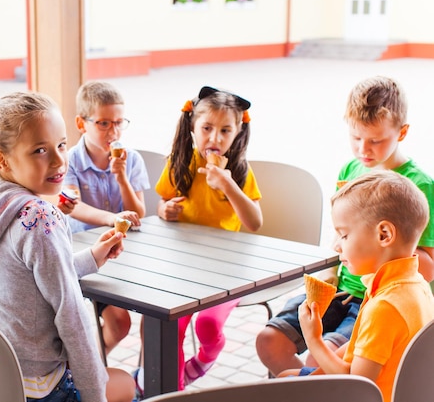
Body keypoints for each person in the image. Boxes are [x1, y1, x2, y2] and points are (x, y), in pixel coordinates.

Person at [0, 91, 135, 402]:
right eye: (40, 150)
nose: (58, 161)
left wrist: (91, 259)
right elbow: (73, 318)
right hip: (40, 388)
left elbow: (27, 276)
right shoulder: (39, 217)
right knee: (127, 386)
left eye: (61, 145)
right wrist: (94, 397)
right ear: (1, 159)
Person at [255, 75, 434, 378]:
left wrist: (378, 256)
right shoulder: (350, 169)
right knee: (269, 341)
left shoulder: (418, 186)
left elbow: (426, 265)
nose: (363, 148)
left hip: (371, 296)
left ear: (402, 132)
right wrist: (331, 266)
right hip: (340, 289)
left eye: (375, 140)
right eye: (355, 137)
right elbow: (342, 233)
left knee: (318, 353)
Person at [131, 85, 262, 397]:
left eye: (224, 131)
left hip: (227, 270)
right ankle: (172, 391)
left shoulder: (239, 171)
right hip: (183, 268)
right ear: (192, 127)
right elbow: (162, 204)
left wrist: (228, 184)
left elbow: (255, 223)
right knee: (163, 328)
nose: (215, 139)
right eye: (207, 129)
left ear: (238, 132)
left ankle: (205, 358)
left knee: (207, 326)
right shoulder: (180, 163)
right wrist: (165, 210)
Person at [278, 170, 434, 402]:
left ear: (384, 234)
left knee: (281, 387)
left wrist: (314, 340)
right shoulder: (415, 285)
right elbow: (367, 346)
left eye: (344, 235)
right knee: (285, 376)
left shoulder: (385, 306)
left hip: (371, 394)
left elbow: (359, 385)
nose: (338, 246)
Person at [59, 80, 150, 356]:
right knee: (120, 323)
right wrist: (112, 218)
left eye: (120, 123)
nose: (114, 131)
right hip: (86, 255)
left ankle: (109, 372)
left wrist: (121, 177)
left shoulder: (130, 159)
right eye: (104, 123)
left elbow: (140, 212)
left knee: (157, 311)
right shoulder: (69, 160)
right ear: (81, 123)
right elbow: (74, 206)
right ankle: (88, 370)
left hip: (127, 256)